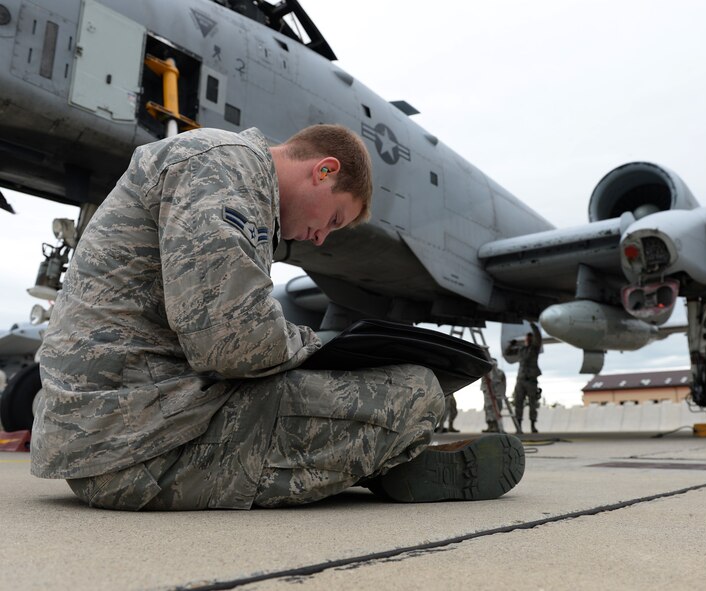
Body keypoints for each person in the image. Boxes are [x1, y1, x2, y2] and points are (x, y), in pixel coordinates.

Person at [30, 124, 525, 510]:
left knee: (399, 387)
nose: (321, 238)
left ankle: (379, 459)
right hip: (139, 449)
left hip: (121, 427)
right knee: (416, 392)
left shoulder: (224, 173)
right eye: (333, 219)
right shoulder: (223, 168)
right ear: (324, 171)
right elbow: (230, 342)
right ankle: (386, 459)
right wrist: (319, 350)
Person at [505, 323, 542, 434]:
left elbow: (538, 337)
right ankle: (519, 426)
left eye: (530, 338)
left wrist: (532, 324)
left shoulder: (534, 349)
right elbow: (507, 353)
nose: (529, 339)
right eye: (527, 337)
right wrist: (511, 345)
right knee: (518, 403)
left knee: (532, 404)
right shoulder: (521, 350)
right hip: (520, 380)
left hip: (531, 380)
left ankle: (533, 426)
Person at [481, 358, 506, 433]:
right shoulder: (486, 372)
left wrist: (502, 393)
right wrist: (485, 391)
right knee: (488, 409)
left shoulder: (500, 373)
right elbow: (483, 383)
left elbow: (503, 384)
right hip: (488, 394)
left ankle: (496, 426)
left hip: (497, 394)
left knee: (497, 409)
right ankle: (490, 426)